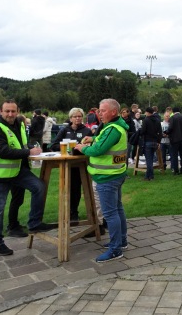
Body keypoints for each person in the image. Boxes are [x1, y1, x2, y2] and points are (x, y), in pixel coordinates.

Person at [0, 99, 52, 256]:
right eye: (7, 111)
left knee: (39, 187)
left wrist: (30, 147)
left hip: (16, 170)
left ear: (18, 111)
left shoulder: (19, 124)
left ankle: (34, 223)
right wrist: (29, 152)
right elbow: (3, 151)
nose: (10, 114)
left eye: (13, 111)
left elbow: (20, 144)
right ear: (0, 111)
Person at [74, 98, 129, 263]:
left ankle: (115, 249)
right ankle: (121, 241)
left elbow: (98, 150)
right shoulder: (115, 126)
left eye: (103, 110)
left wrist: (83, 148)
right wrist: (93, 139)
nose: (100, 113)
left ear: (113, 112)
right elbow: (104, 144)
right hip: (116, 174)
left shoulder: (113, 129)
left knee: (110, 213)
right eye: (99, 110)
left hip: (107, 177)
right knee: (118, 210)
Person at [49, 108, 93, 225]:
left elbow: (90, 146)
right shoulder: (64, 130)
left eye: (79, 116)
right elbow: (53, 145)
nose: (77, 118)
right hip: (66, 164)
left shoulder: (87, 131)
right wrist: (66, 147)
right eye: (75, 116)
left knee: (76, 189)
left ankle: (74, 213)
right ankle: (64, 213)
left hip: (80, 165)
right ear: (70, 118)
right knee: (65, 189)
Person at [140, 107, 162, 181]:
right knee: (151, 159)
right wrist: (158, 141)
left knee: (148, 160)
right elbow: (160, 132)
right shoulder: (157, 120)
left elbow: (143, 131)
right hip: (155, 141)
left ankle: (150, 176)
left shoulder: (146, 120)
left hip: (148, 141)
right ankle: (148, 176)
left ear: (147, 112)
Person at [168, 107, 182, 175]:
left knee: (174, 155)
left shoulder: (172, 118)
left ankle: (176, 170)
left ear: (173, 111)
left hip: (175, 139)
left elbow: (170, 128)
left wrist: (166, 132)